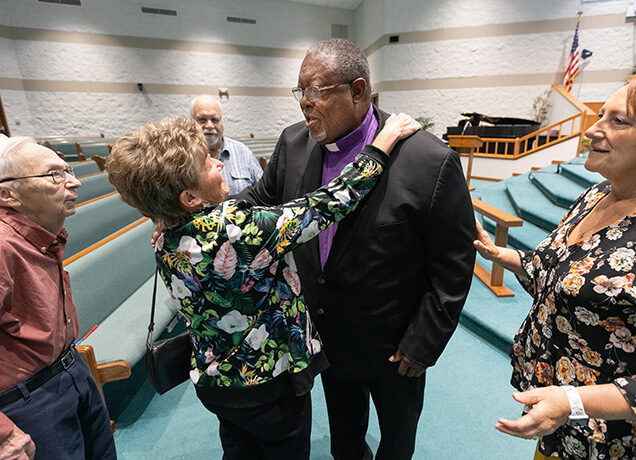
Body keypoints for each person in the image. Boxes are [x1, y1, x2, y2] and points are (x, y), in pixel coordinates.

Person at [106, 114, 420, 459]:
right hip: (266, 385)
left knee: (240, 450)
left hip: (216, 383)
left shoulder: (164, 235)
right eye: (205, 163)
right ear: (189, 197)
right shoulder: (237, 230)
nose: (216, 161)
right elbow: (330, 203)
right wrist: (381, 144)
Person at [237, 38, 476, 460]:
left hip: (395, 344)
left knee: (396, 443)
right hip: (326, 337)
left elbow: (453, 265)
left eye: (316, 91)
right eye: (300, 92)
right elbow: (257, 201)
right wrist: (193, 219)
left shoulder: (427, 160)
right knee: (345, 442)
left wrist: (425, 341)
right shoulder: (293, 144)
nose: (304, 104)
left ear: (358, 91)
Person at [474, 68, 636, 459]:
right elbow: (559, 271)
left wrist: (575, 401)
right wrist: (502, 255)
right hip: (560, 426)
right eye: (600, 115)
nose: (594, 129)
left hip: (623, 443)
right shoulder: (595, 195)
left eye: (618, 121)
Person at [0, 135, 117, 460]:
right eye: (55, 175)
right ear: (7, 193)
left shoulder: (41, 233)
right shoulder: (3, 246)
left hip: (70, 370)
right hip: (29, 399)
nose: (74, 182)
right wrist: (3, 434)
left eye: (67, 170)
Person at [190, 95, 264, 194]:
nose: (210, 125)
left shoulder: (243, 152)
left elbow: (263, 192)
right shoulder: (183, 156)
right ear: (191, 123)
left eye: (215, 120)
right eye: (202, 120)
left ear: (222, 123)